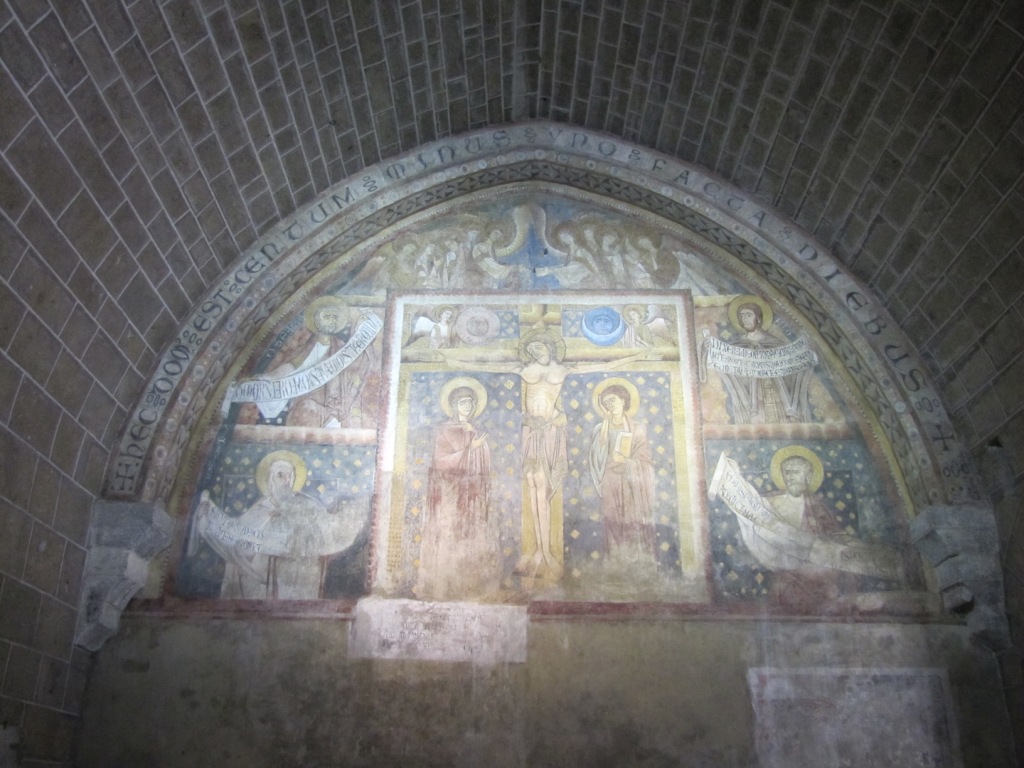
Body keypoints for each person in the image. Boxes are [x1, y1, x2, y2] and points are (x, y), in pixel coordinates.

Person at [445, 329, 659, 580]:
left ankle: (545, 552)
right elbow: (488, 364)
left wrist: (633, 357)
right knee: (533, 485)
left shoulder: (562, 370)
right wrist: (453, 360)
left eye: (538, 347)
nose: (535, 352)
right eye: (531, 349)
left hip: (551, 432)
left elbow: (602, 364)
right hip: (531, 432)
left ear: (548, 347)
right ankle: (539, 551)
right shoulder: (525, 369)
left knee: (544, 490)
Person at [194, 451, 356, 599]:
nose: (285, 480)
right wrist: (211, 516)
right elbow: (240, 534)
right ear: (271, 479)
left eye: (289, 476)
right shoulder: (261, 508)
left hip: (300, 571)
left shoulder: (305, 503)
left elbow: (324, 525)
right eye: (280, 475)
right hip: (263, 573)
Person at [414, 381, 496, 600]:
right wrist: (470, 450)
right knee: (449, 538)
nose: (467, 406)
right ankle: (444, 586)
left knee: (470, 537)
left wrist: (478, 446)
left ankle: (469, 586)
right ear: (453, 405)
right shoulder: (444, 430)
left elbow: (483, 465)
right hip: (450, 495)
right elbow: (440, 461)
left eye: (470, 402)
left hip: (471, 495)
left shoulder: (474, 430)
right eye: (462, 402)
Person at [760, 451, 855, 608]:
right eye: (787, 472)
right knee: (786, 587)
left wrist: (845, 544)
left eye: (795, 472)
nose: (790, 477)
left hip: (815, 560)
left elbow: (834, 533)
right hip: (787, 565)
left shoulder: (816, 504)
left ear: (808, 477)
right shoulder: (772, 501)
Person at [702, 297, 813, 423]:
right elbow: (724, 362)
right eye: (742, 316)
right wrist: (709, 349)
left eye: (748, 315)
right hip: (752, 398)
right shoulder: (737, 345)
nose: (745, 319)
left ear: (758, 318)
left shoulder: (774, 343)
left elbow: (792, 364)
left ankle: (789, 412)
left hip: (775, 393)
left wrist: (805, 349)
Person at [588, 382, 657, 568]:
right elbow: (595, 459)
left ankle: (634, 561)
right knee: (612, 520)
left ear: (623, 400)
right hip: (609, 479)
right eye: (606, 403)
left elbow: (645, 460)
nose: (610, 405)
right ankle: (616, 560)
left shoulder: (637, 428)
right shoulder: (600, 429)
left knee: (630, 518)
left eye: (613, 400)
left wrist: (627, 462)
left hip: (629, 480)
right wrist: (603, 443)